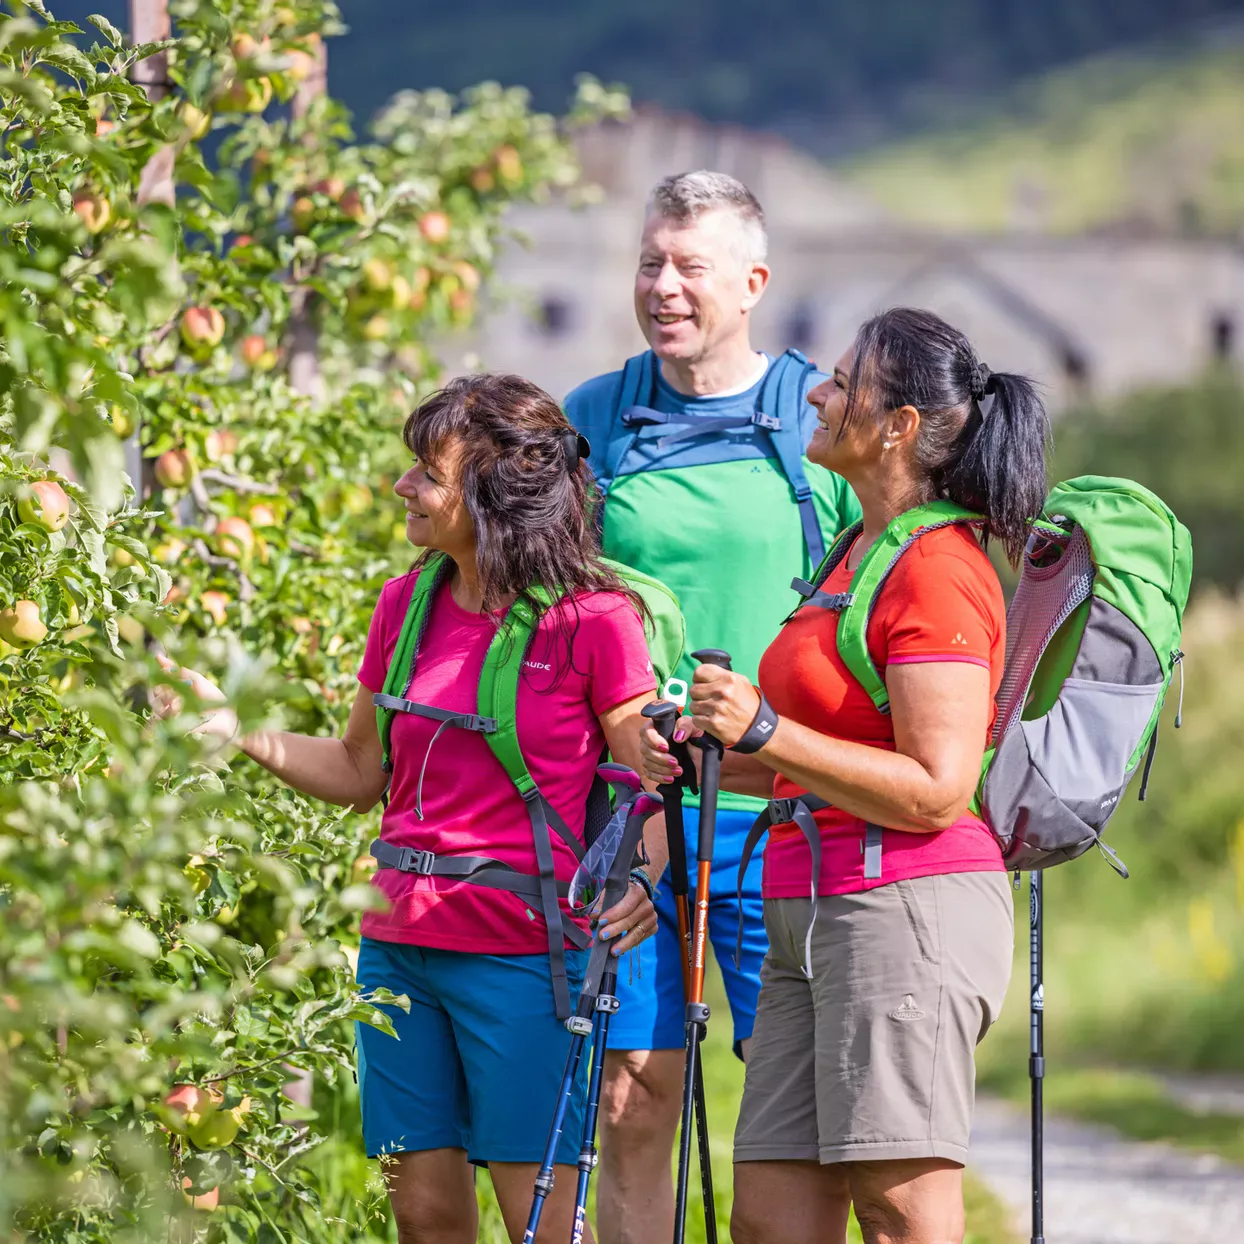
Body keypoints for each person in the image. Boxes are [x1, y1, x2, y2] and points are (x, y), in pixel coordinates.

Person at [157, 373, 666, 1244]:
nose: (403, 487)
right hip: (398, 952)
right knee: (421, 1213)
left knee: (536, 1217)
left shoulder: (594, 622)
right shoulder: (406, 604)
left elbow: (644, 778)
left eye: (425, 472)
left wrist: (647, 878)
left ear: (493, 491)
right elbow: (362, 768)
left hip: (521, 953)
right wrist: (236, 731)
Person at [640, 307, 1050, 1244]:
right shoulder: (854, 548)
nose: (816, 396)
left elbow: (938, 786)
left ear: (898, 425)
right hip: (805, 907)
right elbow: (807, 760)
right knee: (772, 1220)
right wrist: (706, 754)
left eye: (839, 382)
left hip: (902, 909)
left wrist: (767, 728)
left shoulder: (938, 566)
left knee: (899, 1213)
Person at [564, 169, 861, 1243]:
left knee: (799, 1110)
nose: (662, 285)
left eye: (689, 265)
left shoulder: (819, 419)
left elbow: (867, 613)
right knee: (631, 1092)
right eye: (648, 261)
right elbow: (554, 615)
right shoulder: (592, 419)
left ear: (752, 280)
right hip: (635, 824)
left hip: (776, 822)